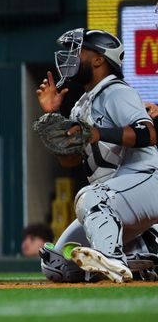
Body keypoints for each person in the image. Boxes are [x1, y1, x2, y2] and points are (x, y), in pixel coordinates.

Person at [35, 28, 158, 283]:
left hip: (146, 179)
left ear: (99, 59)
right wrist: (52, 116)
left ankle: (114, 258)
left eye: (79, 50)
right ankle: (146, 256)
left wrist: (96, 133)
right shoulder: (81, 104)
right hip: (114, 198)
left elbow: (148, 133)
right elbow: (68, 159)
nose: (72, 57)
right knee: (58, 265)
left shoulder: (116, 91)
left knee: (90, 197)